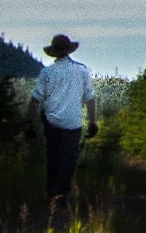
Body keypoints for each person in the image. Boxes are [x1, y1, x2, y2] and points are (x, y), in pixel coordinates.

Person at [29, 34, 98, 207]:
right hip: (73, 121)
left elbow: (35, 99)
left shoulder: (47, 72)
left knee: (53, 157)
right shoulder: (81, 70)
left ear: (53, 52)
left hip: (51, 121)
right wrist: (93, 121)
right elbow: (89, 97)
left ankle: (52, 193)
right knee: (68, 159)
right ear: (68, 50)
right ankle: (60, 195)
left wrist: (29, 121)